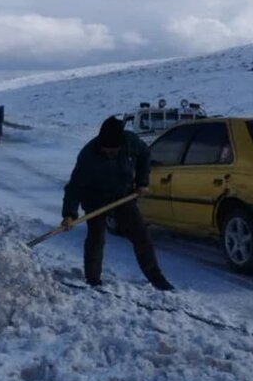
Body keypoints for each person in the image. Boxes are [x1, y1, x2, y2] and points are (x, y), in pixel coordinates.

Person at [61, 116, 174, 291]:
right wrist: (69, 214)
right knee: (96, 237)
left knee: (141, 234)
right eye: (107, 151)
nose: (110, 154)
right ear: (100, 144)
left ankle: (157, 279)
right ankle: (93, 280)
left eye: (114, 151)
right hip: (95, 198)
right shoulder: (88, 156)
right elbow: (74, 187)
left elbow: (145, 154)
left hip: (123, 196)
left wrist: (142, 182)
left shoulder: (130, 141)